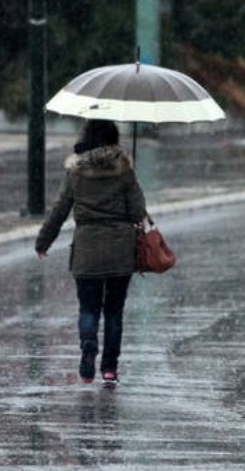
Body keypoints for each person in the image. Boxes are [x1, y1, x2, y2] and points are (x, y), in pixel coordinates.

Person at [35, 120, 148, 385]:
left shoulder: (76, 171)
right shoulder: (124, 170)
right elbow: (137, 212)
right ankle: (109, 369)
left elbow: (59, 210)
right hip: (120, 250)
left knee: (88, 308)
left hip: (87, 250)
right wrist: (132, 182)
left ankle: (88, 345)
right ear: (114, 139)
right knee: (114, 311)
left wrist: (43, 242)